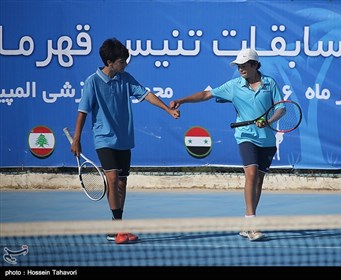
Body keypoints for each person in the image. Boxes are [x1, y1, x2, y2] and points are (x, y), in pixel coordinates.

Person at [69, 38, 180, 244]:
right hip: (103, 138)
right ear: (110, 62)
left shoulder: (125, 78)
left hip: (124, 139)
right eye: (122, 61)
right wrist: (76, 139)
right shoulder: (92, 82)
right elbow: (83, 111)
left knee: (121, 183)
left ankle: (115, 224)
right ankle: (119, 229)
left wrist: (167, 109)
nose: (126, 64)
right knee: (111, 179)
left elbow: (146, 94)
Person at [170, 48, 285, 241]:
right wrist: (182, 100)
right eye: (238, 65)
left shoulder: (270, 84)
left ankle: (247, 222)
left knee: (258, 180)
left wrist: (269, 121)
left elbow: (281, 108)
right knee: (251, 173)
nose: (240, 68)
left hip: (267, 140)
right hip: (245, 136)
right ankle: (251, 223)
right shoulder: (234, 86)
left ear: (255, 65)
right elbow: (206, 94)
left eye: (244, 65)